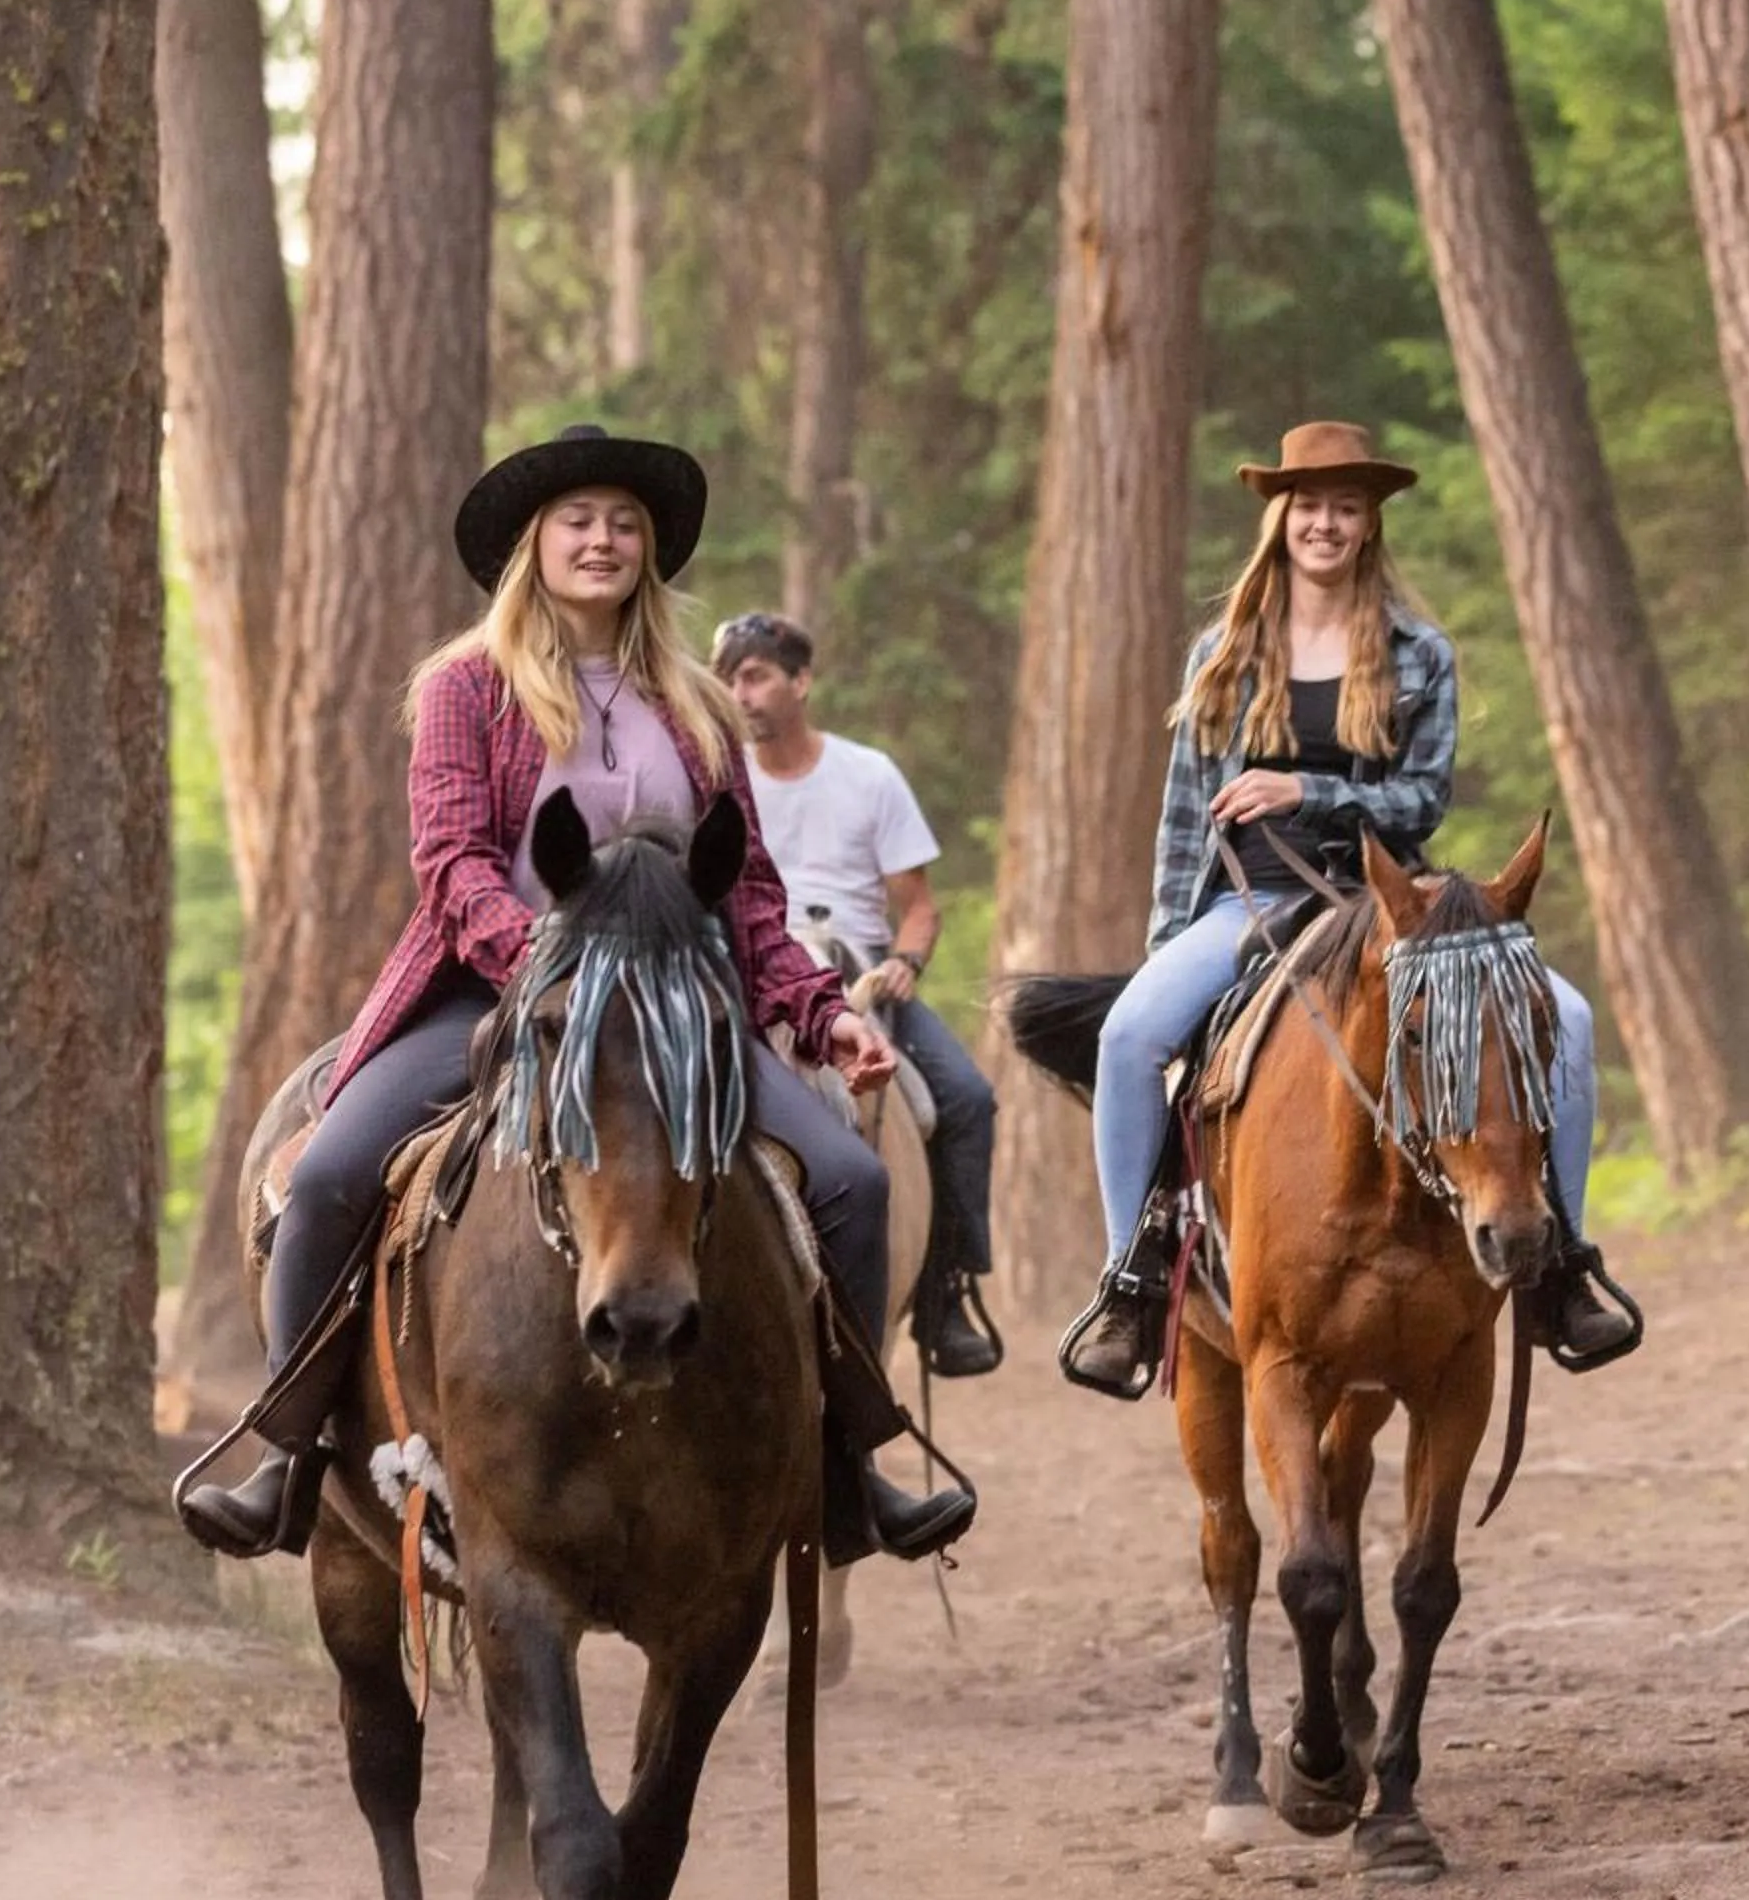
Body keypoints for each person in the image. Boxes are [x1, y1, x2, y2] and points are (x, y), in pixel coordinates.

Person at [176, 423, 976, 1568]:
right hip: (499, 994)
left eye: (624, 524)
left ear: (649, 551)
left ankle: (849, 1465)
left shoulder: (699, 705)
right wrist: (553, 963)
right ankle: (288, 1457)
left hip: (680, 1011)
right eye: (579, 521)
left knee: (853, 1179)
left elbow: (750, 894)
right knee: (330, 1175)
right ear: (534, 546)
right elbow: (453, 864)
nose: (602, 540)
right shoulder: (465, 688)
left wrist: (823, 1011)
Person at [1063, 417, 1640, 1401]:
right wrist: (1168, 942)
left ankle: (1562, 1266)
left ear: (1370, 523)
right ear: (1280, 517)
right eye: (1309, 505)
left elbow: (1422, 800)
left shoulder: (1421, 652)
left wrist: (1306, 790)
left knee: (1572, 1021)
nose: (1325, 523)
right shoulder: (1222, 652)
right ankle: (1131, 1277)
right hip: (1251, 901)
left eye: (1346, 507)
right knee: (1127, 1036)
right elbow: (1183, 815)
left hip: (1386, 905)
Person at [710, 611, 1003, 1379]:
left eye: (755, 676)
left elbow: (920, 907)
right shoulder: (716, 778)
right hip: (759, 968)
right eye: (728, 679)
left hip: (861, 972)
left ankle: (945, 1292)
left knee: (965, 1099)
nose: (739, 694)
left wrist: (907, 960)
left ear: (801, 681)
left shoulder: (868, 776)